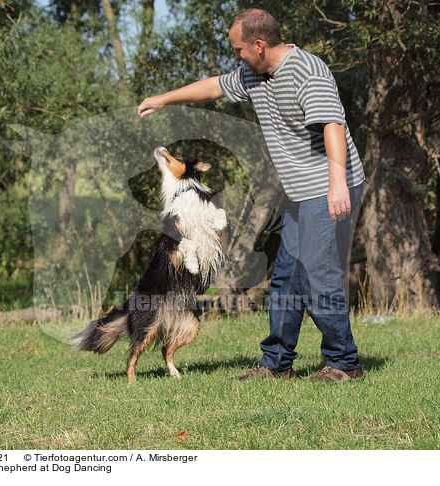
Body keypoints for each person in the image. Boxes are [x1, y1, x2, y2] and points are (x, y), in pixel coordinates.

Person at [137, 8, 366, 383]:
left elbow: (332, 125)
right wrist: (165, 98)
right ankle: (275, 363)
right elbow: (214, 85)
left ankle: (344, 363)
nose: (237, 56)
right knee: (288, 276)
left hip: (330, 187)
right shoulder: (254, 74)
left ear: (259, 45)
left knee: (320, 275)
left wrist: (338, 183)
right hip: (301, 193)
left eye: (239, 49)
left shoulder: (308, 71)